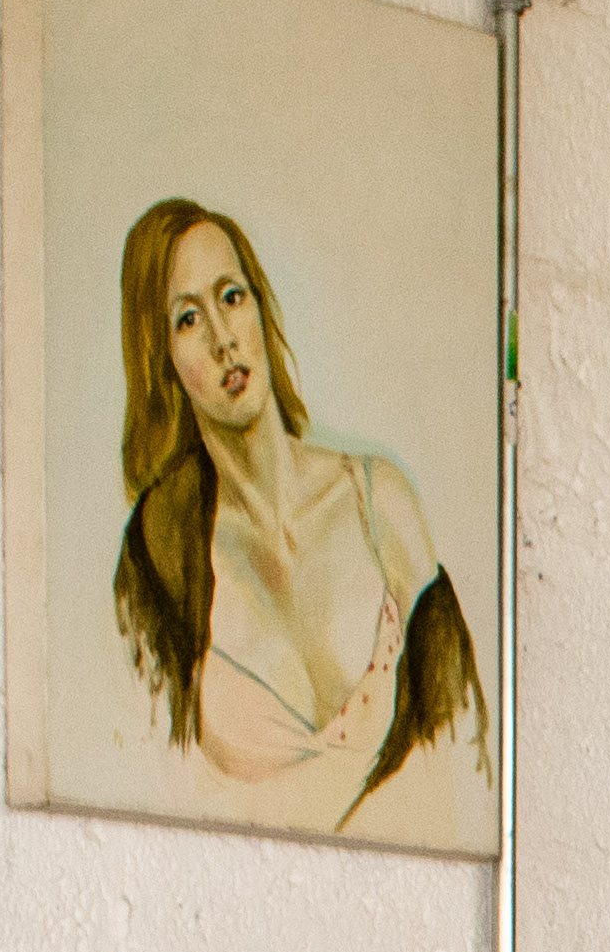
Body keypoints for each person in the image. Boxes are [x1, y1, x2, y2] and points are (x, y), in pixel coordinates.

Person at [110, 198, 485, 825]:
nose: (224, 338)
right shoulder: (161, 565)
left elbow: (466, 759)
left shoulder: (378, 502)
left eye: (232, 297)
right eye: (187, 320)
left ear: (260, 307)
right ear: (162, 361)